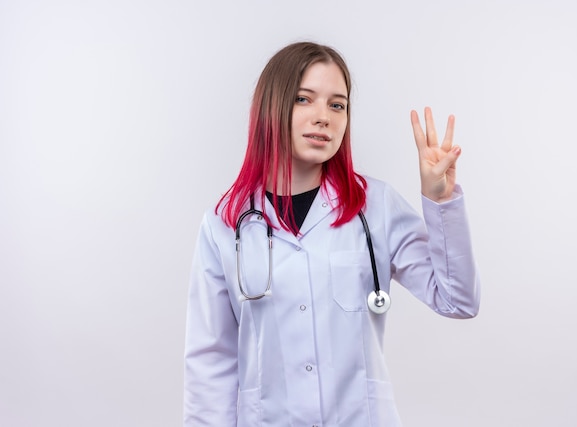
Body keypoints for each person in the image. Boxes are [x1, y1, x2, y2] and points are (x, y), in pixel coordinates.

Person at [184, 41, 480, 427]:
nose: (323, 117)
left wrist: (441, 201)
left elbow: (457, 300)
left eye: (337, 105)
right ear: (272, 108)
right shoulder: (225, 224)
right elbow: (211, 362)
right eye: (304, 99)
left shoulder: (376, 207)